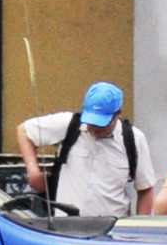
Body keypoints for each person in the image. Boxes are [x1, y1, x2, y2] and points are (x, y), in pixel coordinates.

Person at [18, 81, 154, 220]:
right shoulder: (69, 125)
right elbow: (24, 131)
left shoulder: (134, 139)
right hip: (66, 225)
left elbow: (145, 189)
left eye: (102, 123)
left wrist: (138, 230)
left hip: (111, 229)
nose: (95, 127)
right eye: (91, 121)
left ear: (119, 113)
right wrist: (33, 171)